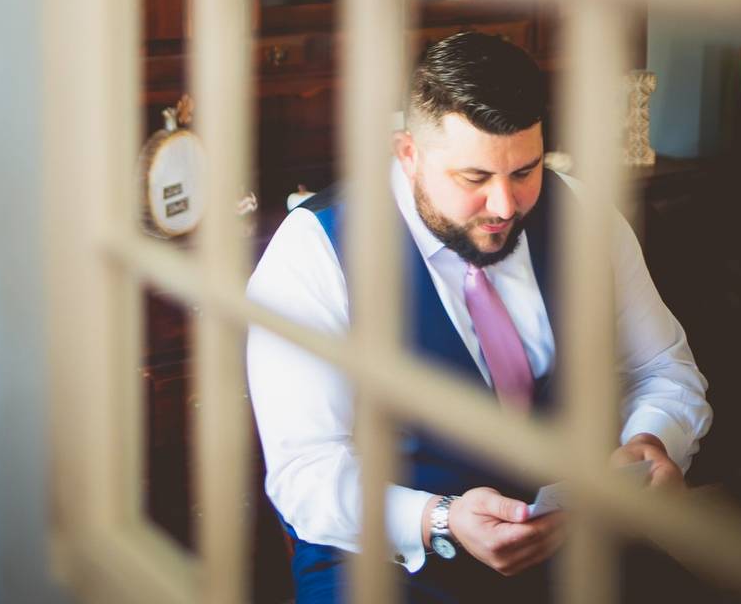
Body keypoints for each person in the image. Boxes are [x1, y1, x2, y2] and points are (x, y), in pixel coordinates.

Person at [246, 32, 713, 603]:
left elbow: (664, 368)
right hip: (387, 563)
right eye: (474, 179)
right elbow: (305, 474)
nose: (504, 206)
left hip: (576, 543)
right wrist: (441, 521)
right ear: (408, 154)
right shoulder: (313, 251)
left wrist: (652, 438)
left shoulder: (582, 213)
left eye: (525, 171)